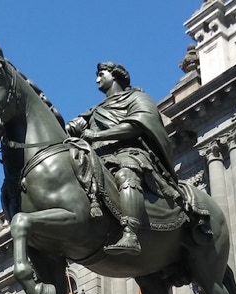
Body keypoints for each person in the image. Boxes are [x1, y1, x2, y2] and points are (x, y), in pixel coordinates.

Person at [66, 62, 178, 256]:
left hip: (129, 152)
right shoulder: (94, 110)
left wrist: (96, 136)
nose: (97, 79)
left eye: (101, 74)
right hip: (99, 158)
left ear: (115, 75)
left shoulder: (138, 97)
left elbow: (136, 125)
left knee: (126, 173)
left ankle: (131, 234)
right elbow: (72, 129)